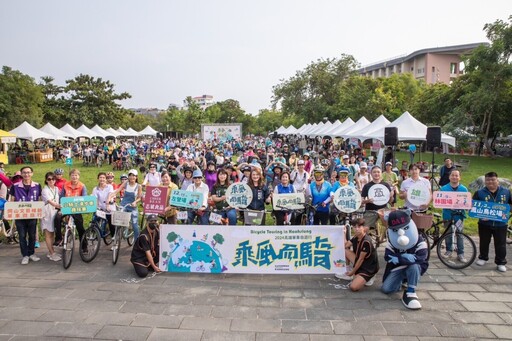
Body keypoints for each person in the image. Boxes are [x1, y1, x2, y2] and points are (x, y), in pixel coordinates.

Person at [381, 210, 429, 310]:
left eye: (405, 228)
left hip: (413, 267)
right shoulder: (392, 242)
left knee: (414, 266)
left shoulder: (420, 242)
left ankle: (411, 291)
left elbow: (420, 259)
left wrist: (398, 258)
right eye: (395, 230)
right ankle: (403, 279)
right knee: (386, 289)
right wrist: (405, 257)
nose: (400, 233)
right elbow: (388, 256)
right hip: (398, 268)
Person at [473, 172, 512, 272]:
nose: (490, 182)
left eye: (493, 180)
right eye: (488, 180)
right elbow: (473, 207)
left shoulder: (506, 192)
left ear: (497, 180)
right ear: (485, 181)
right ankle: (483, 257)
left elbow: (510, 205)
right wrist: (481, 216)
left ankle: (500, 262)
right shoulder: (479, 192)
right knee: (484, 241)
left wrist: (506, 211)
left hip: (501, 224)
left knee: (501, 243)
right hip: (484, 223)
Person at [9, 166, 42, 265]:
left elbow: (40, 199)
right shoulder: (15, 186)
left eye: (28, 172)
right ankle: (25, 255)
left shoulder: (37, 185)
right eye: (24, 173)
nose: (26, 174)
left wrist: (40, 212)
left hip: (32, 214)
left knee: (32, 235)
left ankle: (31, 253)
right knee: (22, 236)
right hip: (20, 216)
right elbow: (12, 200)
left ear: (32, 173)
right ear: (21, 174)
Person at [336, 218, 379, 290]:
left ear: (364, 228)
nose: (356, 229)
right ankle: (348, 269)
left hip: (368, 267)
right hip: (360, 262)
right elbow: (345, 245)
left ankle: (369, 276)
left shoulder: (366, 241)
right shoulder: (356, 237)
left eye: (359, 227)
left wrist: (352, 272)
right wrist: (343, 233)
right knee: (344, 250)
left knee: (353, 287)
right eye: (355, 227)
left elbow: (361, 259)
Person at [439, 170, 469, 262]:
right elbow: (439, 200)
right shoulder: (444, 188)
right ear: (449, 177)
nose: (454, 177)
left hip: (459, 215)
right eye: (453, 175)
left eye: (456, 175)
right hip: (447, 214)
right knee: (448, 233)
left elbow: (466, 202)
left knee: (459, 234)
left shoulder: (464, 189)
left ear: (460, 177)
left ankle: (461, 253)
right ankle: (448, 250)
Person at [108, 169, 142, 240]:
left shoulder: (138, 186)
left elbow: (139, 198)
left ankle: (137, 242)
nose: (132, 177)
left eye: (134, 176)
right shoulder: (126, 183)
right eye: (130, 175)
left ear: (136, 177)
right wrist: (111, 197)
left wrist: (135, 202)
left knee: (135, 225)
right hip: (123, 205)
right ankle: (116, 236)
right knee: (118, 220)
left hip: (132, 206)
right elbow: (117, 190)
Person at [60, 168, 88, 253]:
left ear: (78, 176)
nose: (74, 177)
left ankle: (84, 246)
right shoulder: (65, 185)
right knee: (57, 219)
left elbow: (84, 198)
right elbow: (61, 197)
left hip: (76, 210)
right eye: (72, 175)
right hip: (66, 208)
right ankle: (59, 239)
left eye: (76, 175)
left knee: (80, 228)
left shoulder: (82, 186)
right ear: (70, 176)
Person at [41, 172, 61, 261]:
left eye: (53, 179)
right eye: (49, 179)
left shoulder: (57, 189)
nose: (51, 181)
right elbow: (50, 201)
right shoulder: (45, 190)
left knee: (52, 232)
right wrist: (59, 206)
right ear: (46, 180)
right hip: (47, 213)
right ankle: (52, 253)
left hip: (55, 212)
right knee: (48, 233)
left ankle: (51, 252)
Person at [91, 172, 116, 238]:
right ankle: (95, 235)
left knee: (111, 224)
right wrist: (96, 208)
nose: (102, 179)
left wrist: (107, 205)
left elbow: (110, 195)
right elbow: (95, 199)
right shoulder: (95, 189)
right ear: (98, 179)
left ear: (106, 179)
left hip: (109, 208)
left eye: (103, 178)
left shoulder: (109, 187)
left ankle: (114, 239)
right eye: (100, 177)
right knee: (94, 221)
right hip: (100, 208)